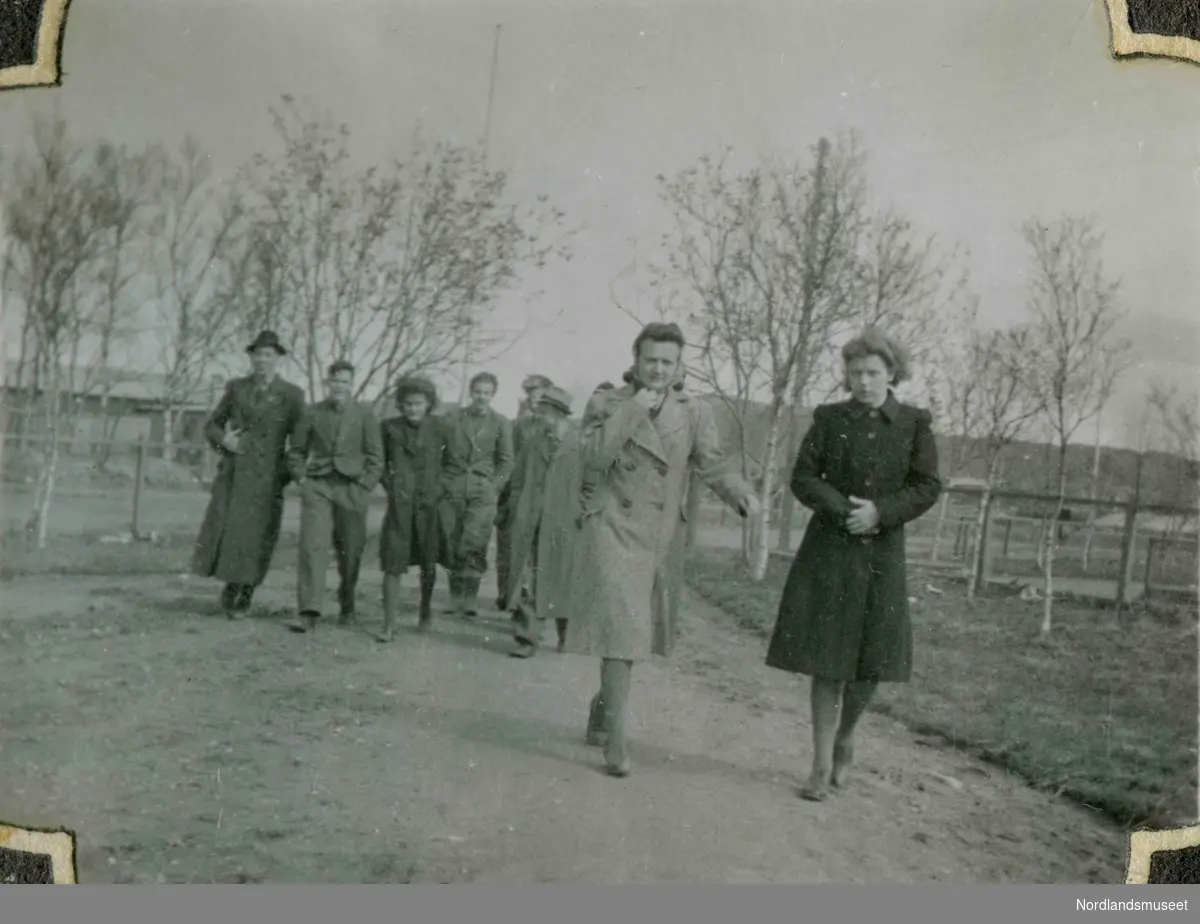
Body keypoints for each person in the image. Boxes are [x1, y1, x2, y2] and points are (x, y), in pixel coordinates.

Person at [564, 322, 760, 777]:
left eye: (667, 362)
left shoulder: (694, 411)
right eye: (650, 360)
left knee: (630, 637)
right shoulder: (607, 402)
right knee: (621, 631)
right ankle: (616, 745)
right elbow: (594, 458)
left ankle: (602, 705)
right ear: (635, 361)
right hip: (611, 528)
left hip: (657, 537)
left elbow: (711, 463)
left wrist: (738, 494)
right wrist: (632, 410)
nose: (657, 369)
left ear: (679, 366)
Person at [765, 329, 942, 802]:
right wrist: (844, 510)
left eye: (873, 373)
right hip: (830, 550)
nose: (863, 381)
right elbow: (803, 476)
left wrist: (881, 513)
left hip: (882, 555)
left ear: (891, 374)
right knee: (826, 660)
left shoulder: (913, 424)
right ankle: (820, 765)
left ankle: (846, 736)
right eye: (855, 372)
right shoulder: (829, 419)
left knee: (869, 663)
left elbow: (927, 486)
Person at [192, 330, 306, 619]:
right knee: (232, 533)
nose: (262, 360)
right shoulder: (236, 388)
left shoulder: (293, 395)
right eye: (258, 354)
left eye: (268, 355)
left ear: (278, 358)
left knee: (258, 537)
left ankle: (245, 593)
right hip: (235, 473)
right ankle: (231, 585)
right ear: (251, 357)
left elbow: (300, 441)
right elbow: (212, 426)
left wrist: (287, 473)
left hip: (268, 478)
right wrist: (225, 441)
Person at [287, 360, 384, 634]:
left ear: (352, 385)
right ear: (328, 383)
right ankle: (309, 611)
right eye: (335, 381)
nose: (339, 386)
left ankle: (348, 604)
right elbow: (295, 451)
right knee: (312, 547)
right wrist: (302, 480)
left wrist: (364, 485)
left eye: (345, 382)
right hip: (318, 486)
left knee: (351, 551)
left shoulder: (365, 414)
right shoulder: (312, 412)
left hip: (352, 489)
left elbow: (376, 459)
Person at [500, 385, 584, 658]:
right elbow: (517, 478)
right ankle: (527, 639)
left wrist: (581, 512)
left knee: (564, 580)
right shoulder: (533, 443)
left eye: (545, 413)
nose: (540, 417)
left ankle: (566, 635)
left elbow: (592, 485)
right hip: (532, 522)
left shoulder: (580, 445)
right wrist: (516, 508)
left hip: (565, 523)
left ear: (560, 414)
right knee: (528, 578)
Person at [439, 371, 514, 617]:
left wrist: (495, 487)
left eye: (487, 392)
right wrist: (443, 482)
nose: (482, 397)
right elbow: (439, 455)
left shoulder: (501, 422)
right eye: (478, 391)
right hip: (453, 489)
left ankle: (469, 599)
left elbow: (506, 461)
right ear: (471, 392)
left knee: (475, 542)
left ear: (493, 395)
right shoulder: (452, 419)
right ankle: (454, 597)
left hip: (483, 492)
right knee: (452, 541)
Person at [378, 376, 446, 640]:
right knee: (392, 562)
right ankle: (389, 623)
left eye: (418, 404)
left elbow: (452, 463)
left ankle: (425, 611)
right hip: (400, 505)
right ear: (400, 404)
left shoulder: (440, 428)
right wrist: (391, 485)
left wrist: (440, 490)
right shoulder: (388, 428)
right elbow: (378, 462)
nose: (413, 409)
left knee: (428, 561)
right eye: (408, 404)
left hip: (430, 504)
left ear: (428, 404)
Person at [496, 373, 555, 610]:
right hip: (517, 494)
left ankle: (534, 603)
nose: (534, 402)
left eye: (539, 397)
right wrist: (502, 496)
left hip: (544, 496)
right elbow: (508, 461)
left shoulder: (559, 430)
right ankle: (508, 596)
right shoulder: (518, 426)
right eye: (530, 397)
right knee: (510, 548)